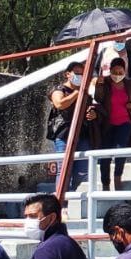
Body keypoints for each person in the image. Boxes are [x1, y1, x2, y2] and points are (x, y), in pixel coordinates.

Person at [92, 55, 131, 192]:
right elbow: (98, 98)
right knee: (105, 155)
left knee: (121, 150)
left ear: (124, 71)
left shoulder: (129, 84)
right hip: (107, 124)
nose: (117, 75)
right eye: (115, 72)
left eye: (120, 72)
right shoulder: (104, 82)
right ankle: (105, 183)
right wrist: (99, 84)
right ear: (110, 70)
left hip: (125, 122)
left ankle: (118, 177)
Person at [46, 60, 95, 190]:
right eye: (76, 73)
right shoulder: (58, 90)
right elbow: (60, 104)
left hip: (82, 134)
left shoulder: (86, 92)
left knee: (82, 171)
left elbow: (91, 107)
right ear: (67, 74)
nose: (79, 76)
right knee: (64, 171)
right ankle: (62, 206)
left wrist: (93, 114)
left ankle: (74, 201)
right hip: (64, 135)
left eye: (82, 74)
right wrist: (77, 93)